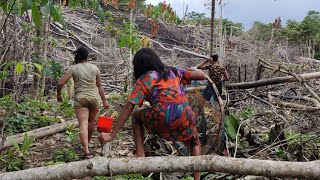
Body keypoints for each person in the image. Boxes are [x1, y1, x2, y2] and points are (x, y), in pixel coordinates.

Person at [98, 48, 206, 180]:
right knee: (195, 142)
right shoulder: (174, 71)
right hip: (185, 117)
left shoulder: (145, 78)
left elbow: (129, 106)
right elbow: (202, 76)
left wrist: (111, 135)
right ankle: (197, 178)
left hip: (161, 117)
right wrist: (194, 69)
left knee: (136, 115)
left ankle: (141, 156)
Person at [57, 47, 109, 157]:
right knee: (90, 122)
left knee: (83, 123)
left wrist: (59, 95)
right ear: (87, 56)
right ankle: (88, 143)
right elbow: (99, 86)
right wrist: (104, 101)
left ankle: (86, 149)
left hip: (81, 99)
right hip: (94, 99)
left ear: (77, 56)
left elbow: (60, 83)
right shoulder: (95, 68)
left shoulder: (73, 68)